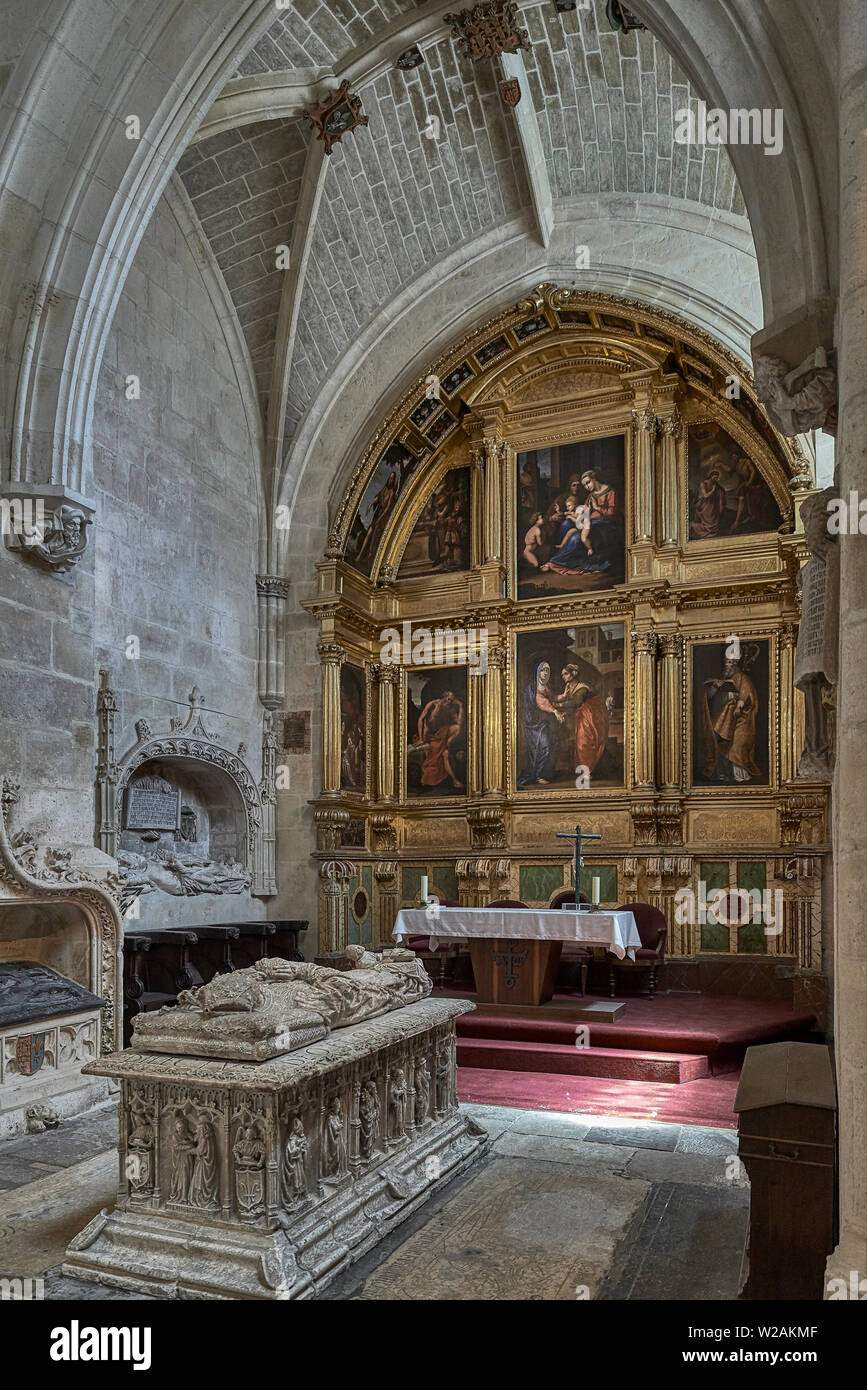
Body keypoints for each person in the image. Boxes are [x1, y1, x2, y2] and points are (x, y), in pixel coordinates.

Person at [699, 650, 762, 782]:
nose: (728, 665)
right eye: (727, 662)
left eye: (731, 663)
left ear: (735, 664)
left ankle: (740, 775)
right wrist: (715, 687)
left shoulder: (742, 678)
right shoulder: (720, 679)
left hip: (739, 718)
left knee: (737, 746)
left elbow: (747, 692)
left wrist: (740, 702)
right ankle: (723, 774)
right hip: (721, 718)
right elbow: (708, 698)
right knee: (720, 745)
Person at [517, 661, 565, 786]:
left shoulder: (544, 686)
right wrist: (555, 711)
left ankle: (543, 773)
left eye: (547, 670)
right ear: (537, 672)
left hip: (542, 723)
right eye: (543, 670)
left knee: (550, 745)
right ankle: (538, 775)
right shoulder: (532, 687)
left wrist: (564, 695)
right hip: (533, 725)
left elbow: (552, 697)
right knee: (544, 747)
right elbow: (542, 702)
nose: (545, 672)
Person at [557, 663, 609, 775]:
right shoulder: (569, 687)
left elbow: (577, 702)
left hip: (591, 716)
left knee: (584, 741)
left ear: (573, 674)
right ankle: (585, 768)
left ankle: (588, 770)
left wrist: (559, 705)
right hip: (582, 715)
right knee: (579, 741)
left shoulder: (583, 687)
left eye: (566, 674)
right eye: (562, 675)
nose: (563, 676)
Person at [414, 690, 465, 790]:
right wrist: (421, 738)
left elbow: (459, 723)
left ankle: (447, 744)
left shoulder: (449, 708)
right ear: (444, 697)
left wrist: (461, 706)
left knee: (457, 729)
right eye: (448, 698)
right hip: (428, 735)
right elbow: (424, 721)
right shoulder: (432, 704)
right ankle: (454, 781)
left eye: (452, 699)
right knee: (443, 754)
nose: (450, 701)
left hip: (442, 735)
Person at [691, 467, 727, 538]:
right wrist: (713, 490)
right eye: (715, 477)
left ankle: (711, 530)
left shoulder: (717, 485)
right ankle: (694, 525)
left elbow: (721, 494)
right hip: (706, 504)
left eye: (717, 478)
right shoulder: (703, 483)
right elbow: (705, 496)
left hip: (714, 504)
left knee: (714, 522)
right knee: (708, 520)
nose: (716, 479)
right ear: (711, 476)